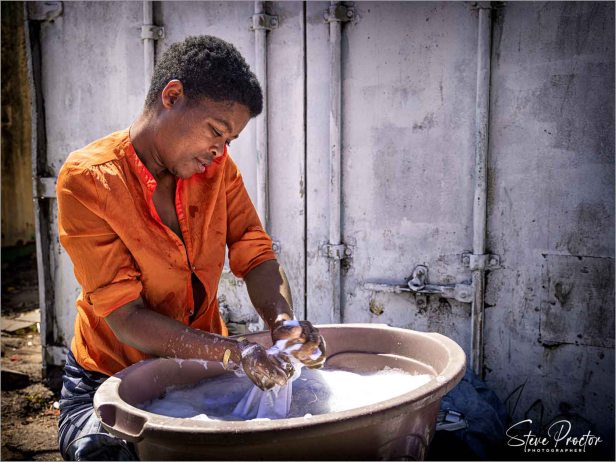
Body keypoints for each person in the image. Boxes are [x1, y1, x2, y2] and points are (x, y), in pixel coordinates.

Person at [56, 35, 326, 461]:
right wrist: (233, 352)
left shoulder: (218, 170)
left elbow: (254, 252)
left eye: (229, 140)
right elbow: (126, 317)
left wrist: (281, 321)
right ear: (172, 96)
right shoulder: (89, 180)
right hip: (108, 380)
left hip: (200, 373)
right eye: (216, 131)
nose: (219, 150)